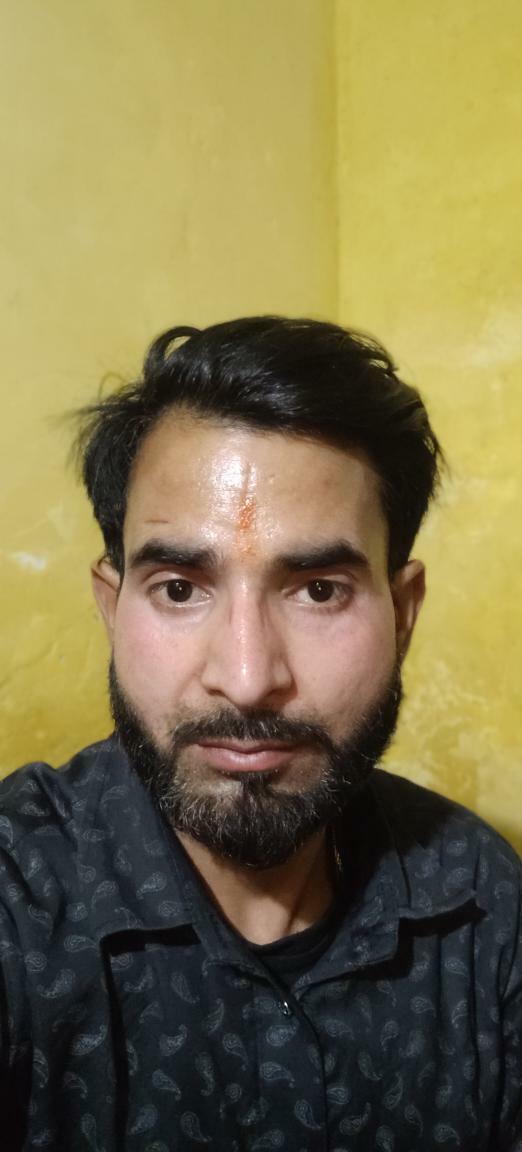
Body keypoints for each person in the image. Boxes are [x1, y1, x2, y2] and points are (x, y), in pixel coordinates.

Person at [0, 317, 520, 1152]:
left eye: (318, 590)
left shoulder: (480, 900)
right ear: (111, 607)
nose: (247, 678)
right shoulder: (18, 905)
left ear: (403, 613)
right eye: (179, 588)